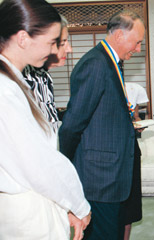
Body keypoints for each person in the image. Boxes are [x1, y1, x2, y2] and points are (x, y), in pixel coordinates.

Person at [0, 0, 91, 240]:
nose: (55, 50)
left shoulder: (13, 83)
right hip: (27, 214)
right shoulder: (5, 90)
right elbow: (39, 164)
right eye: (52, 42)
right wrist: (78, 204)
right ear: (23, 38)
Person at [58, 10, 145, 239]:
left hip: (112, 177)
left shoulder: (111, 62)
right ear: (118, 36)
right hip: (99, 179)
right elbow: (72, 125)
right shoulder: (96, 64)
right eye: (137, 43)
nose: (138, 49)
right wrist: (67, 168)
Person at [23, 15, 72, 133]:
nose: (69, 49)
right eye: (63, 43)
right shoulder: (24, 77)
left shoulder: (45, 76)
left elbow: (49, 118)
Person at [123, 82, 149, 240]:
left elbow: (136, 116)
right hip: (110, 152)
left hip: (131, 149)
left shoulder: (134, 89)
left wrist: (138, 124)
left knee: (130, 205)